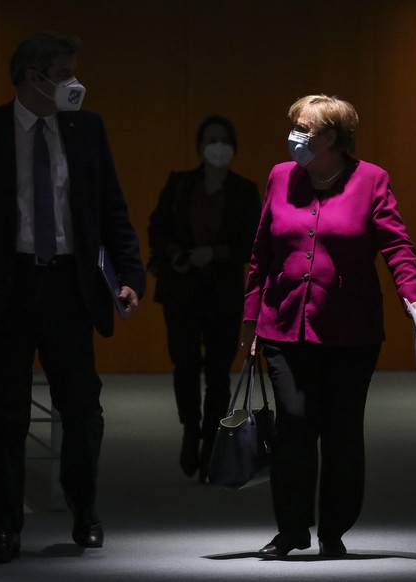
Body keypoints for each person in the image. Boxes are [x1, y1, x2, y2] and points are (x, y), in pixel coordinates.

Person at [0, 32, 146, 564]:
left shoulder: (87, 129)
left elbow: (112, 209)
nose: (74, 84)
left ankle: (83, 508)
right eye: (64, 74)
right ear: (31, 78)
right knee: (7, 417)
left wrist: (130, 275)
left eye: (73, 72)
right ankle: (5, 529)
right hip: (10, 285)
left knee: (83, 410)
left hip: (70, 285)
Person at [242, 94, 416, 558]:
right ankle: (291, 530)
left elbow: (397, 247)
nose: (295, 136)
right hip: (284, 327)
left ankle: (333, 531)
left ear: (334, 137)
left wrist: (415, 299)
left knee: (342, 432)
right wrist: (249, 321)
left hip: (351, 331)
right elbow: (260, 254)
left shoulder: (371, 180)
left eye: (306, 128)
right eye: (295, 126)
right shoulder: (280, 177)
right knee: (294, 426)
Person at [147, 115, 261, 483]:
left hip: (223, 294)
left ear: (234, 147)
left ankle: (212, 441)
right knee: (184, 366)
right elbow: (157, 228)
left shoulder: (244, 190)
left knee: (217, 373)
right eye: (211, 140)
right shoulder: (180, 184)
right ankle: (189, 430)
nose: (218, 146)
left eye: (224, 140)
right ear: (199, 147)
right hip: (181, 291)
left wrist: (215, 253)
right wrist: (176, 252)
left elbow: (251, 243)